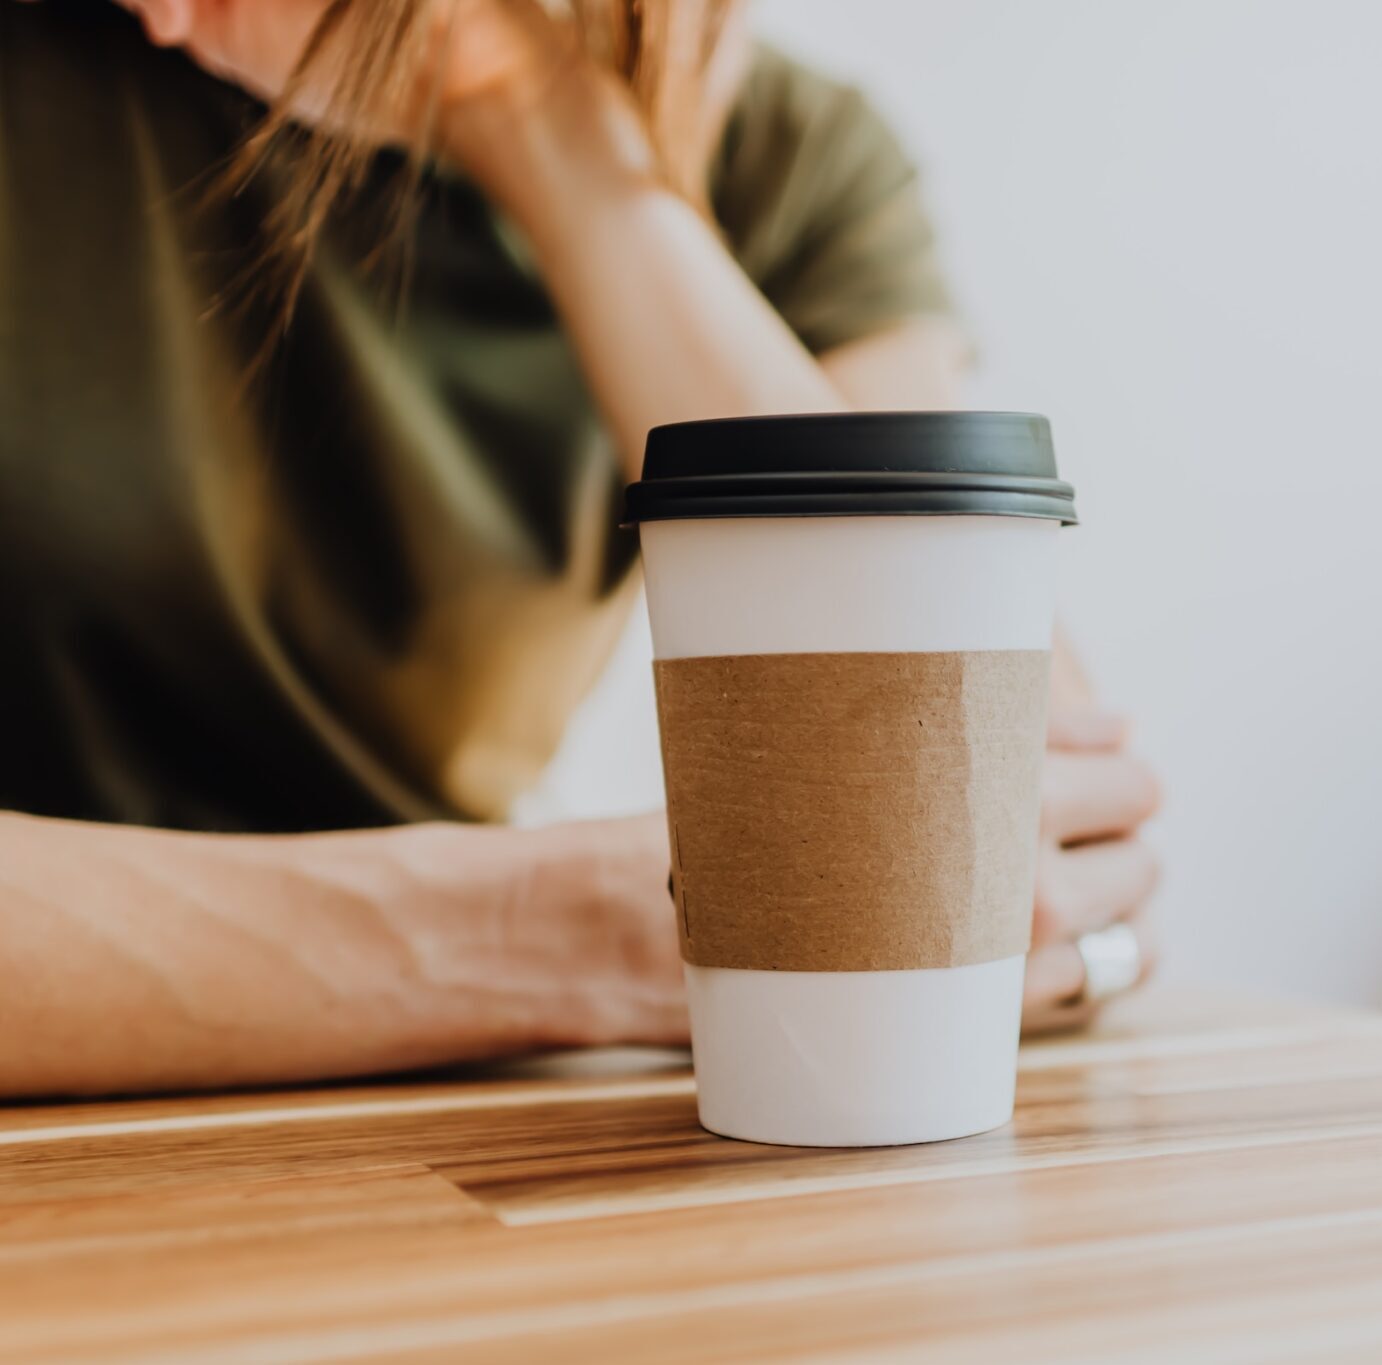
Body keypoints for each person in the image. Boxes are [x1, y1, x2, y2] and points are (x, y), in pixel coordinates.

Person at [0, 0, 1160, 1097]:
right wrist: (551, 936)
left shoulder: (775, 160)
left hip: (453, 1125)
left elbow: (1002, 823)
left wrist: (552, 139)